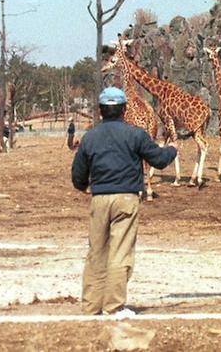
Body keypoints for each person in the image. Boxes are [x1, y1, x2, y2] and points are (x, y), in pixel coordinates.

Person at [71, 86, 177, 316]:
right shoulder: (135, 134)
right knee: (120, 252)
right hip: (126, 199)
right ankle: (114, 305)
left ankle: (91, 305)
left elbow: (78, 174)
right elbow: (158, 160)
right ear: (124, 109)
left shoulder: (90, 136)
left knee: (96, 252)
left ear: (100, 110)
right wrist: (172, 149)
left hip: (99, 199)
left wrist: (84, 186)